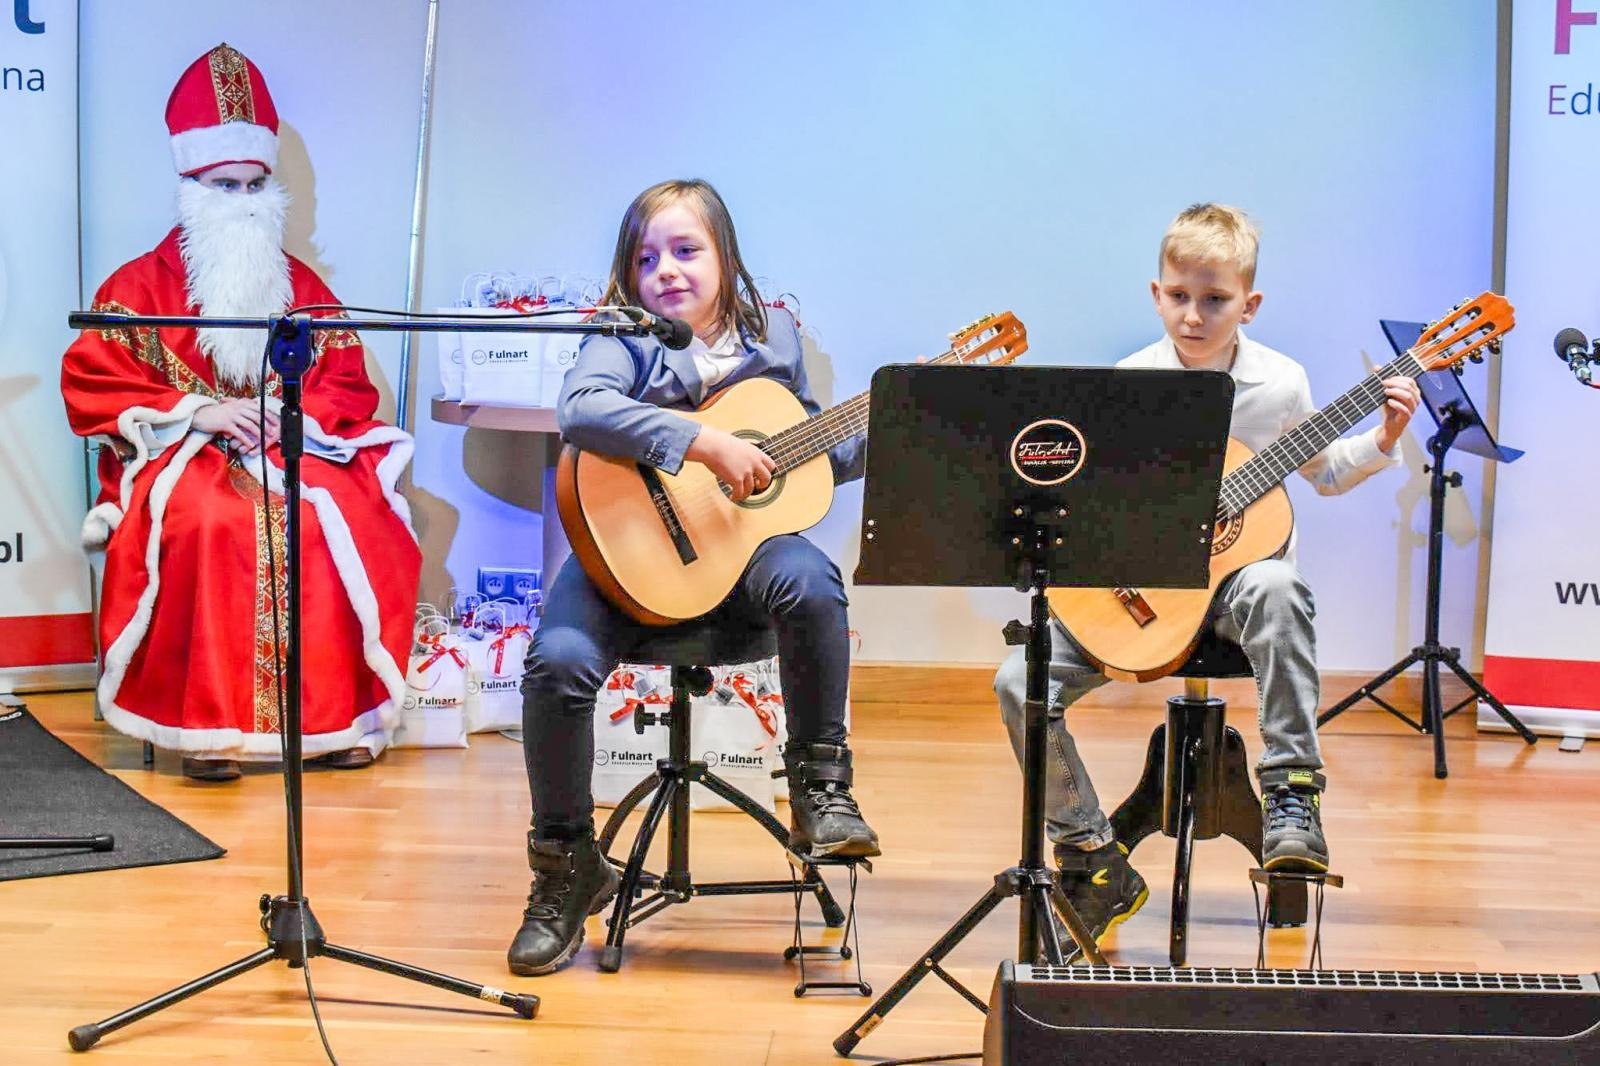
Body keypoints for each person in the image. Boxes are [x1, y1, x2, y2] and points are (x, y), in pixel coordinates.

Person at [993, 202, 1420, 954]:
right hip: (1142, 594)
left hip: (1235, 599)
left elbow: (1322, 473)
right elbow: (1089, 503)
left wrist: (1384, 437)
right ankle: (1093, 857)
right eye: (1180, 296)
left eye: (1215, 300)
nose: (1195, 315)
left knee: (1279, 586)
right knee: (1015, 682)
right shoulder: (1129, 383)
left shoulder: (1280, 385)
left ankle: (1292, 793)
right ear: (1156, 294)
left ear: (1248, 304)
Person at [508, 178, 880, 976]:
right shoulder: (623, 335)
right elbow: (581, 411)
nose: (666, 270)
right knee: (557, 664)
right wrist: (704, 446)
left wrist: (892, 426)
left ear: (726, 256)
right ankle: (567, 868)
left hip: (733, 559)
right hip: (623, 558)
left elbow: (797, 453)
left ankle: (820, 789)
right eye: (648, 257)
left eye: (686, 250)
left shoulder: (773, 336)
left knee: (811, 578)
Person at [61, 44, 420, 781]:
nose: (247, 200)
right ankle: (204, 730)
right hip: (181, 453)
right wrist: (199, 412)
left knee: (344, 518)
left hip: (297, 447)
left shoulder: (301, 285)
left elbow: (346, 382)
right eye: (226, 185)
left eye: (258, 183)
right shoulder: (135, 289)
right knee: (214, 523)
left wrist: (284, 414)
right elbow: (95, 382)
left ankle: (334, 723)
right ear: (192, 185)